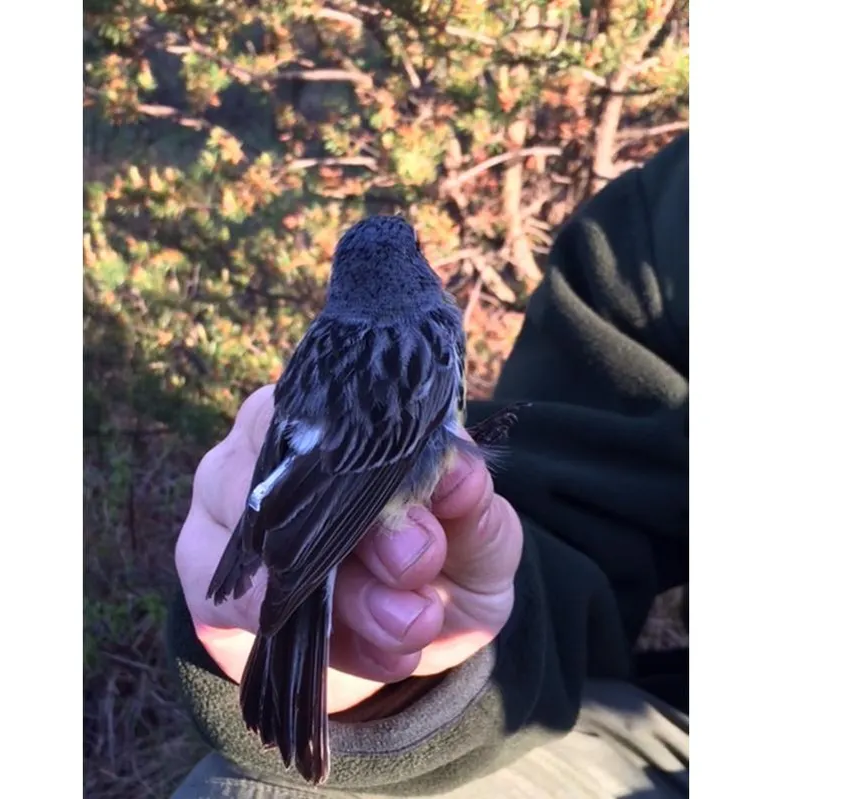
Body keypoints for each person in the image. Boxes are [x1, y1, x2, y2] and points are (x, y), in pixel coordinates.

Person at [166, 132, 689, 798]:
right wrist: (411, 675)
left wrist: (274, 543)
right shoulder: (429, 338)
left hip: (315, 501)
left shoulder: (328, 341)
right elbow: (566, 506)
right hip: (339, 511)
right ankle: (318, 674)